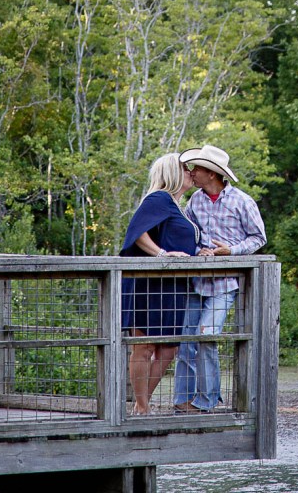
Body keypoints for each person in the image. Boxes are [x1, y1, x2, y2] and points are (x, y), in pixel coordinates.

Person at [173, 144, 266, 413]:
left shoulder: (243, 201)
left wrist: (232, 250)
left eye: (197, 168)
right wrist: (195, 249)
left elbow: (259, 238)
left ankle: (206, 402)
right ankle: (182, 400)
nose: (192, 172)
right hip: (196, 282)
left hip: (225, 283)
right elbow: (188, 234)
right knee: (186, 339)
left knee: (206, 335)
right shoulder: (194, 201)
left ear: (212, 173)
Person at [120, 153, 199, 415]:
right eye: (185, 168)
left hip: (173, 287)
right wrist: (161, 255)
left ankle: (141, 403)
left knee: (168, 349)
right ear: (172, 172)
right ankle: (141, 407)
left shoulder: (177, 206)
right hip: (149, 285)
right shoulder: (159, 198)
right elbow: (136, 232)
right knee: (144, 347)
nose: (190, 172)